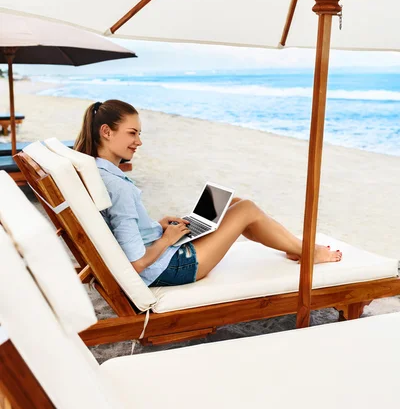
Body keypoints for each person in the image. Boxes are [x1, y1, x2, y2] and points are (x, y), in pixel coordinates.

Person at [75, 99, 342, 287]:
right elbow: (135, 264)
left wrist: (157, 226)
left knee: (233, 203)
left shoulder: (100, 174)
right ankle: (308, 251)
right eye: (132, 133)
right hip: (170, 268)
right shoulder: (118, 186)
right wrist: (167, 239)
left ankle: (295, 248)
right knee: (246, 209)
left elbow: (122, 228)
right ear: (106, 132)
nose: (139, 141)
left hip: (163, 255)